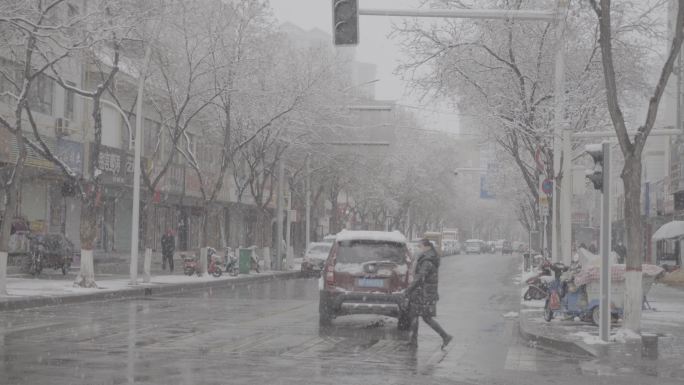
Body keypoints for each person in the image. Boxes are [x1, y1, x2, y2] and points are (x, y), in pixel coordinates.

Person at [406, 238, 453, 349]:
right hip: (424, 292)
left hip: (424, 293)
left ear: (426, 247)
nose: (418, 249)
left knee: (424, 317)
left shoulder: (427, 260)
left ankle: (445, 336)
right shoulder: (429, 257)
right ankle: (413, 342)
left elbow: (420, 277)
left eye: (420, 246)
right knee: (415, 315)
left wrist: (408, 290)